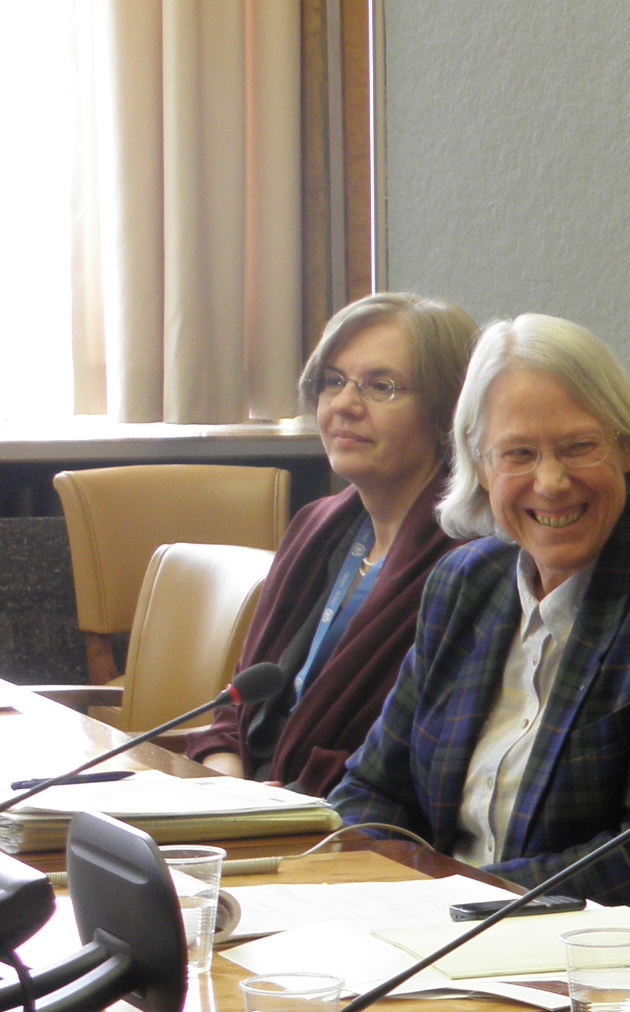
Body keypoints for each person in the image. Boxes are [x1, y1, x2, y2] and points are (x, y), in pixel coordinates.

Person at [332, 314, 630, 921]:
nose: (551, 482)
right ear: (480, 465)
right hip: (424, 934)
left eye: (578, 447)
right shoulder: (465, 584)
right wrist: (390, 891)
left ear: (625, 447)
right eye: (518, 454)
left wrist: (458, 901)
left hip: (578, 966)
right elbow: (371, 788)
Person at [186, 293, 475, 795]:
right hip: (250, 804)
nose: (344, 404)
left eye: (381, 386)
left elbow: (407, 763)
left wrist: (265, 810)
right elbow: (234, 713)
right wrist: (228, 796)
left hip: (347, 825)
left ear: (447, 412)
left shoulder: (466, 562)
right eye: (334, 382)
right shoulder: (315, 528)